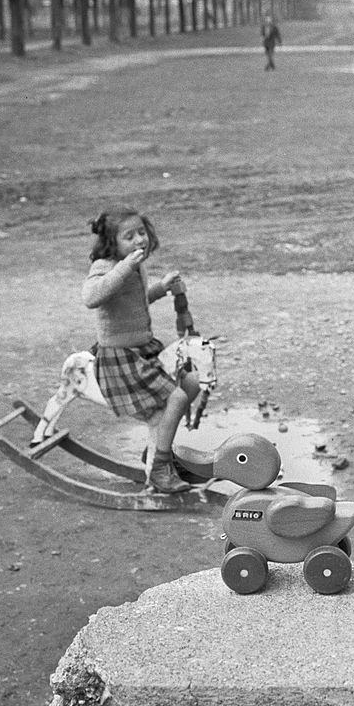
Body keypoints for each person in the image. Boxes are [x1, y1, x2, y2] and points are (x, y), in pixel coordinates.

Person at [82, 207, 200, 494]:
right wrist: (123, 268)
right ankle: (160, 469)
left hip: (143, 350)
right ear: (112, 243)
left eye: (141, 233)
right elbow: (92, 297)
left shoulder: (136, 265)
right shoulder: (105, 266)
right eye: (129, 236)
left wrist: (161, 287)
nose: (139, 241)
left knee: (192, 382)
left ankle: (157, 451)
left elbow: (134, 301)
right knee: (176, 398)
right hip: (120, 358)